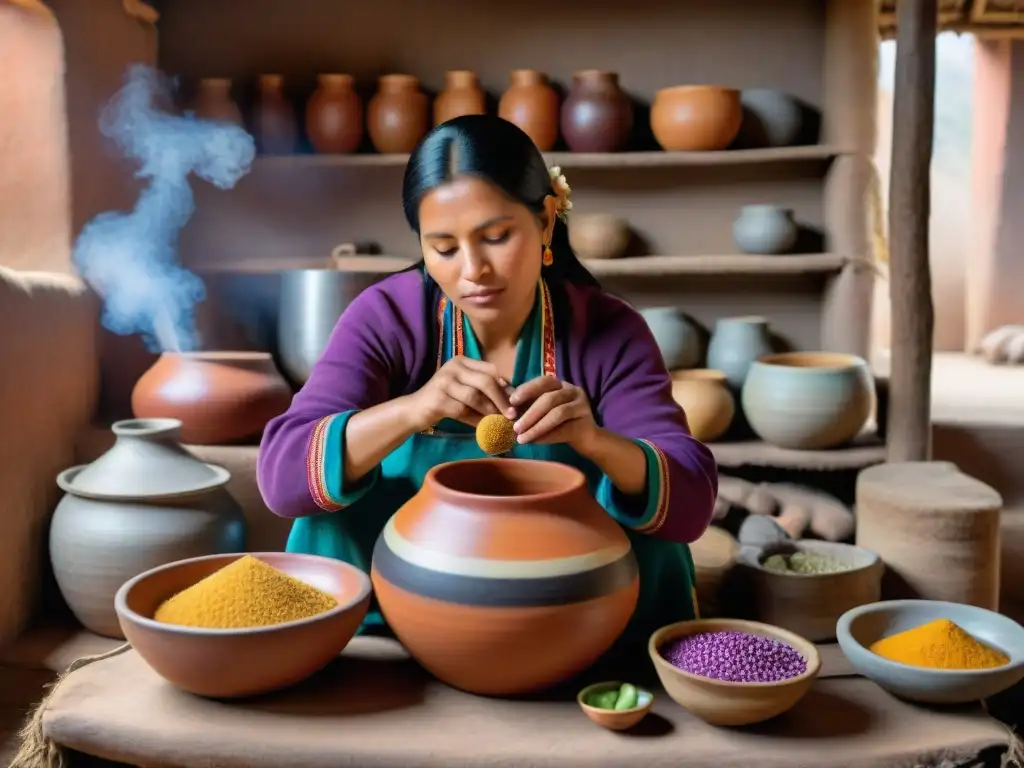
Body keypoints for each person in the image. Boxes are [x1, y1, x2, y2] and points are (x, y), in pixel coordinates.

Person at [257, 114, 718, 655]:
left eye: (496, 237)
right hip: (409, 596)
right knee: (326, 512)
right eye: (444, 248)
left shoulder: (609, 330)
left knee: (656, 540)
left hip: (567, 598)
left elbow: (690, 503)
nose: (472, 269)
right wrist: (412, 409)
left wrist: (595, 441)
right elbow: (282, 479)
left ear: (546, 221)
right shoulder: (387, 317)